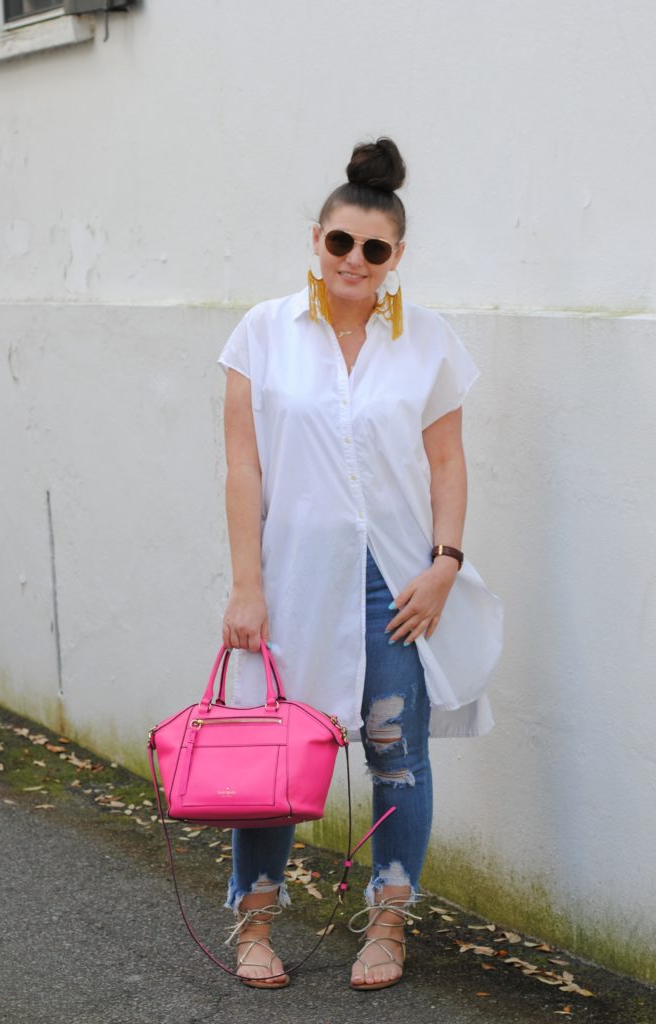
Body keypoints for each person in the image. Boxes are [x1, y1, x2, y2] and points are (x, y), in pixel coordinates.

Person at [217, 137, 503, 990]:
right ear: (317, 239)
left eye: (372, 249)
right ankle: (255, 924)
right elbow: (243, 467)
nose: (353, 260)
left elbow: (446, 464)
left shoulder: (428, 343)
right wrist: (245, 585)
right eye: (339, 242)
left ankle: (388, 923)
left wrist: (446, 561)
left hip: (395, 582)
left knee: (394, 751)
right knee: (276, 760)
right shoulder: (262, 333)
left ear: (395, 258)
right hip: (292, 575)